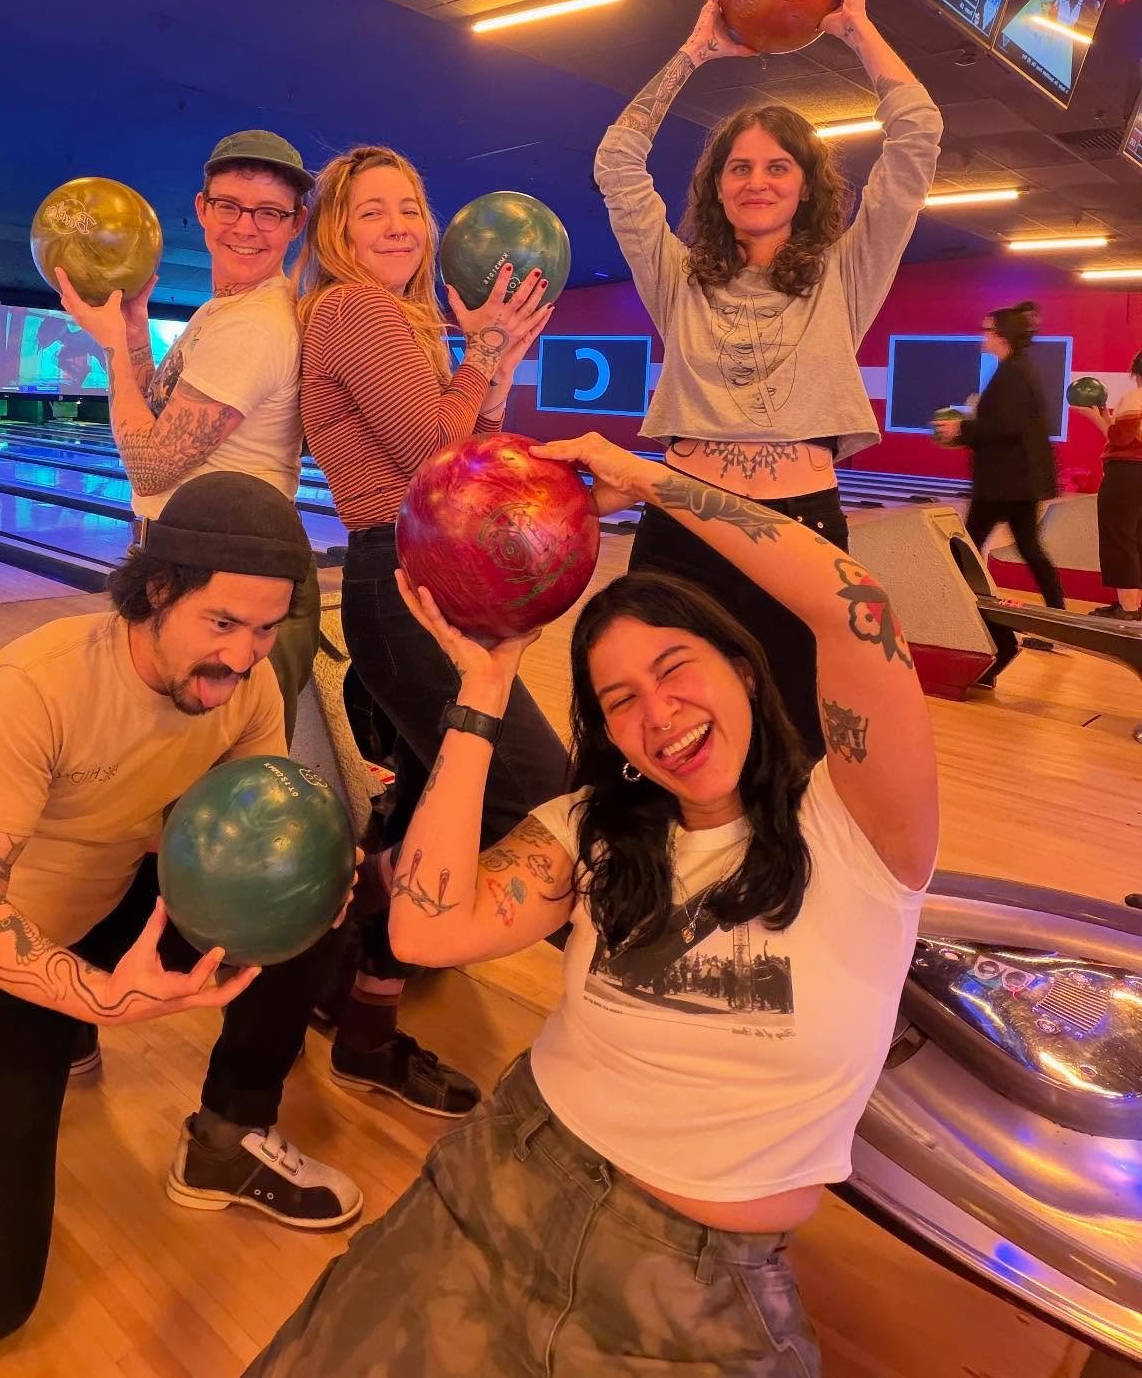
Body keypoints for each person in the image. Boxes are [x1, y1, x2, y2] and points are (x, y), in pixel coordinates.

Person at [246, 430, 938, 1376]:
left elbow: (854, 605)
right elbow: (423, 929)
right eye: (618, 699)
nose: (658, 713)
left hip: (695, 1280)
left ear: (741, 666)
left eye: (675, 667)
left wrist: (655, 483)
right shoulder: (593, 828)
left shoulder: (858, 830)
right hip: (507, 1176)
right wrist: (485, 688)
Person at [0, 475, 363, 1357]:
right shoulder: (36, 686)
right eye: (223, 624)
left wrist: (310, 875)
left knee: (310, 913)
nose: (243, 658)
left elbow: (246, 841)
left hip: (116, 895)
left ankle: (229, 1133)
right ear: (159, 590)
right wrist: (98, 996)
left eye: (265, 630)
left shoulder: (246, 690)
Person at [594, 0, 943, 754]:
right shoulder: (677, 275)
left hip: (801, 529)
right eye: (739, 167)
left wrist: (855, 28)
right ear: (717, 187)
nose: (757, 180)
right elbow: (617, 162)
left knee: (788, 734)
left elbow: (918, 134)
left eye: (777, 166)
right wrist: (693, 51)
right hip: (684, 526)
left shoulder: (844, 273)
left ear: (805, 184)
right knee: (660, 730)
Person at [297, 145, 564, 1117]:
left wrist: (490, 363)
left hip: (424, 583)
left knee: (418, 815)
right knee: (542, 789)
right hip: (403, 590)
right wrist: (485, 357)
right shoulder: (351, 308)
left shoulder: (397, 320)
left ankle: (358, 1016)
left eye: (410, 207)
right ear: (338, 231)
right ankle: (631, 1020)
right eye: (374, 213)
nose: (401, 226)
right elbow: (431, 452)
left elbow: (472, 446)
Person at [57, 129, 319, 740]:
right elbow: (157, 415)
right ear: (202, 209)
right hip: (202, 585)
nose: (245, 227)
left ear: (296, 223)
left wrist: (112, 349)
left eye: (269, 213)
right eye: (228, 205)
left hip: (235, 600)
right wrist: (132, 328)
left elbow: (150, 465)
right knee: (173, 787)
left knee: (222, 802)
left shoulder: (254, 327)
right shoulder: (219, 311)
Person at [935, 303, 1064, 610]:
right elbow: (1007, 423)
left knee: (967, 543)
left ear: (1003, 335)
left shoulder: (1013, 373)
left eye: (988, 329)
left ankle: (957, 607)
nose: (984, 335)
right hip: (1017, 481)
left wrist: (961, 429)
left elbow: (1004, 426)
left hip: (1005, 482)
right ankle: (1056, 608)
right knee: (1026, 546)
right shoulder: (1016, 369)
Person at [1075, 349, 1142, 620]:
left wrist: (1094, 418)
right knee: (1137, 539)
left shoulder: (1135, 398)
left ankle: (1127, 610)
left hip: (1126, 475)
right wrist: (1106, 418)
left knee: (1119, 539)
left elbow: (1120, 440)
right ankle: (1134, 607)